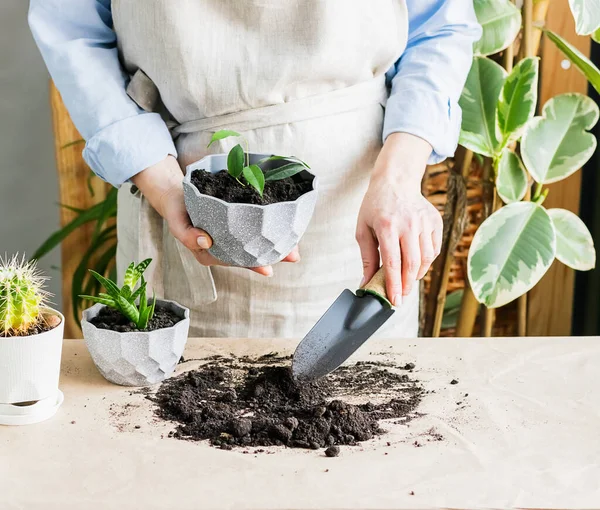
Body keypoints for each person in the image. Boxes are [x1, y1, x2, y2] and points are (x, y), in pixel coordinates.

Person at [29, 1, 481, 338]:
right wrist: (165, 187)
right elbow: (73, 33)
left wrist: (399, 179)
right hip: (179, 203)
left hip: (361, 210)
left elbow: (440, 23)